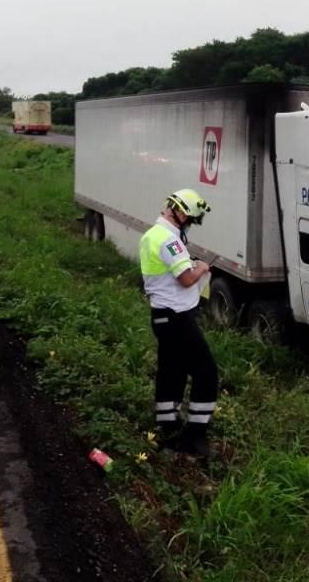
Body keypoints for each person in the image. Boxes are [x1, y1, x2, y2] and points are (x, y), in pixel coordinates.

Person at [139, 189, 217, 457]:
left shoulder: (153, 234)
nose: (190, 224)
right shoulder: (168, 240)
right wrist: (202, 267)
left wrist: (190, 265)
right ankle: (195, 438)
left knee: (172, 370)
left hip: (163, 316)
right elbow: (185, 278)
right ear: (180, 212)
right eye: (191, 219)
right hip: (177, 318)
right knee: (206, 371)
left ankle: (168, 425)